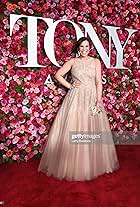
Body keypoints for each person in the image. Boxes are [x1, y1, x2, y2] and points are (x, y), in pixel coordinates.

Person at [38, 37, 120, 181]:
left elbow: (98, 82)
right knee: (75, 127)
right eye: (81, 46)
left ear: (90, 48)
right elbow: (58, 75)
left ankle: (93, 164)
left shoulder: (95, 61)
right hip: (75, 98)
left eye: (86, 46)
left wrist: (98, 100)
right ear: (78, 48)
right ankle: (73, 166)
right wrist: (70, 86)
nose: (84, 49)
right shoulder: (72, 62)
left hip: (91, 97)